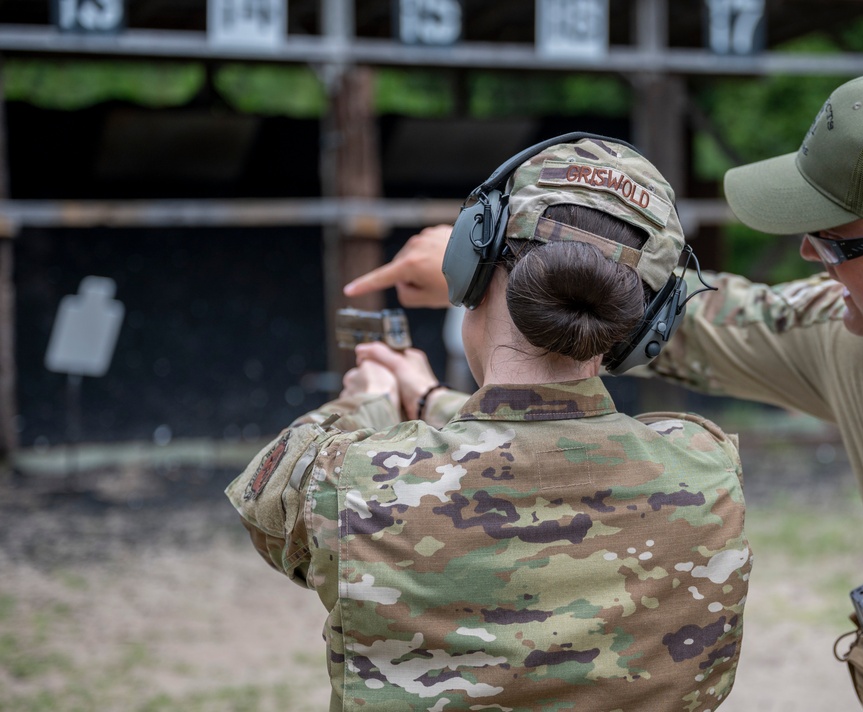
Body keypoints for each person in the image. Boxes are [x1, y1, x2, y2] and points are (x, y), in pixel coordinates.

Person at [343, 60, 863, 692]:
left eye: (833, 242)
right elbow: (673, 315)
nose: (808, 255)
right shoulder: (860, 340)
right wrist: (503, 265)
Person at [227, 135, 751, 711]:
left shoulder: (351, 485)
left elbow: (271, 487)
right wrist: (428, 397)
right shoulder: (707, 469)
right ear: (650, 319)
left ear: (470, 260)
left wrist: (373, 399)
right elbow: (550, 434)